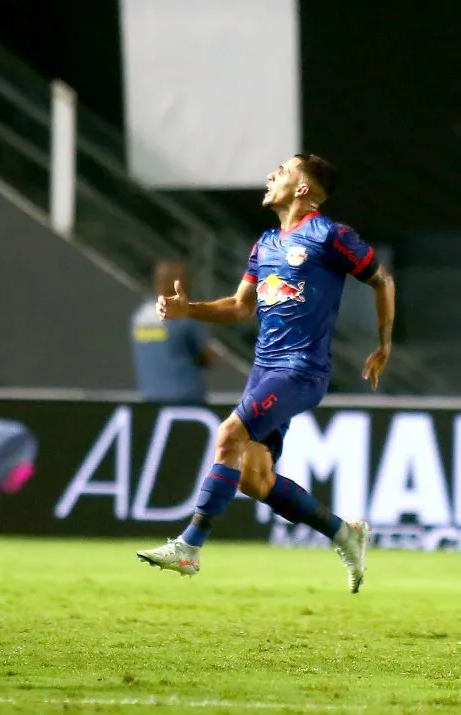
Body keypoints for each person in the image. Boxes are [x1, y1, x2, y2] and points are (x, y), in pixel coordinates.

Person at [136, 154, 396, 594]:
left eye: (284, 170)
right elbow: (240, 307)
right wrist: (189, 309)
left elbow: (381, 280)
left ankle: (189, 547)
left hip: (301, 370)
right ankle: (342, 532)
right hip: (264, 371)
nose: (272, 174)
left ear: (303, 189)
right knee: (255, 479)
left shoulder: (330, 235)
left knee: (228, 435)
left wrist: (384, 344)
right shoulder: (266, 243)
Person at [131, 260, 215, 405]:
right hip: (185, 400)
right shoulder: (183, 315)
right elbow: (205, 358)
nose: (189, 285)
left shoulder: (140, 316)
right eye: (185, 280)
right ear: (175, 284)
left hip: (150, 399)